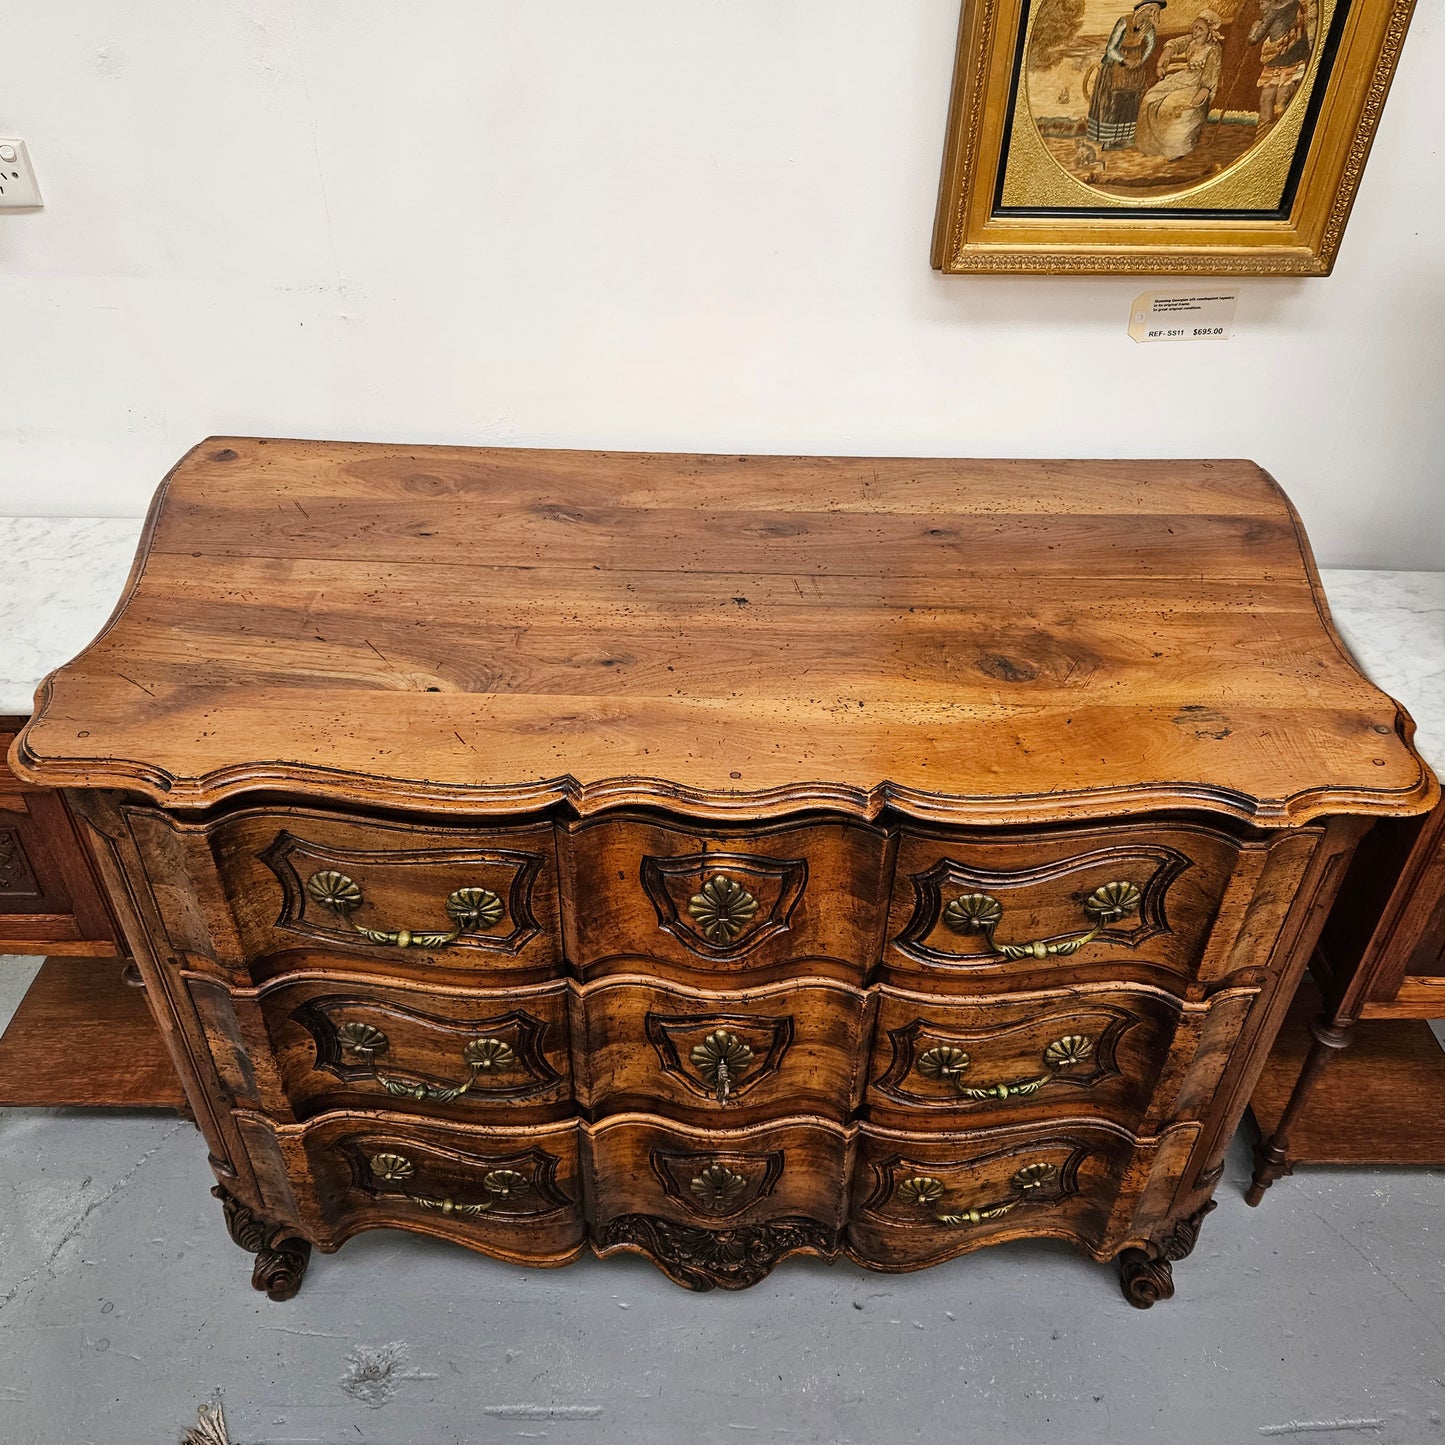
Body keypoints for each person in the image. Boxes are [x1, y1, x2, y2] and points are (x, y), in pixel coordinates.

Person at [1134, 10, 1225, 160]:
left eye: (1201, 29)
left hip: (1198, 86)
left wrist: (1193, 103)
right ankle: (1151, 145)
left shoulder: (1213, 50)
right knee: (1150, 98)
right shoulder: (1190, 40)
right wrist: (1160, 64)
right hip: (1183, 78)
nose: (1196, 31)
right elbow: (1173, 45)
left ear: (1209, 32)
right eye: (1195, 27)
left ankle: (1175, 149)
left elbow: (1208, 82)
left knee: (1171, 106)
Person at [1086, 2, 1166, 151]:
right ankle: (1109, 139)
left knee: (1131, 101)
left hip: (1135, 68)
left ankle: (1126, 138)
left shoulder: (1149, 27)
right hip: (1116, 65)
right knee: (1114, 102)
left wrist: (1141, 60)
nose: (1152, 14)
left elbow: (1150, 45)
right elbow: (1110, 49)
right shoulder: (1124, 21)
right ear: (1142, 8)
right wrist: (1125, 60)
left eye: (1155, 12)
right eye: (1151, 10)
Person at [1249, 0, 1314, 130]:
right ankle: (1267, 133)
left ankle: (1274, 132)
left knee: (1277, 101)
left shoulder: (1275, 11)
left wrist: (1254, 28)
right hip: (1284, 61)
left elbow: (1253, 40)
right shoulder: (1302, 7)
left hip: (1290, 62)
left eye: (1262, 3)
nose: (1261, 6)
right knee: (1276, 101)